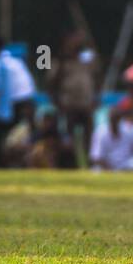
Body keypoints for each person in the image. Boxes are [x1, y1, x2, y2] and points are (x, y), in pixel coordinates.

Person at [0, 37, 36, 167]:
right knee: (0, 140)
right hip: (17, 106)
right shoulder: (12, 62)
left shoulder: (0, 64)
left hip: (16, 106)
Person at [52, 29, 100, 165]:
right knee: (70, 137)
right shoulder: (61, 60)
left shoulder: (88, 58)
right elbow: (52, 83)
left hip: (86, 104)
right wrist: (57, 103)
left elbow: (97, 78)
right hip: (69, 104)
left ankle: (90, 163)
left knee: (89, 137)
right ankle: (72, 163)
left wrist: (97, 98)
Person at [90, 101, 133, 171]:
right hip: (106, 168)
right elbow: (96, 157)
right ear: (109, 119)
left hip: (127, 167)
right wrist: (111, 171)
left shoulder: (130, 130)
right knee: (96, 169)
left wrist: (131, 166)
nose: (114, 122)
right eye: (112, 120)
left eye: (116, 119)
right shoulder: (101, 132)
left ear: (120, 119)